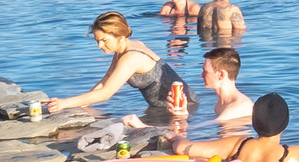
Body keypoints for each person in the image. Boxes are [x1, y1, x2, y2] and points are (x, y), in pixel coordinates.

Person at [46, 10, 190, 120]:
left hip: (183, 109)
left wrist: (65, 103)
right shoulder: (123, 50)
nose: (99, 45)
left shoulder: (131, 57)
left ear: (119, 36)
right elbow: (106, 80)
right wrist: (80, 104)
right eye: (97, 41)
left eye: (104, 40)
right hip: (163, 108)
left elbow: (106, 93)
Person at [199, 45, 252, 126]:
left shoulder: (240, 107)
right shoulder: (220, 105)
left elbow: (201, 127)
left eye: (205, 72)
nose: (201, 75)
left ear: (221, 75)